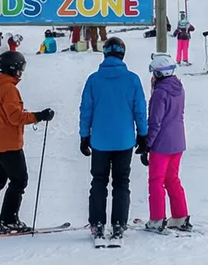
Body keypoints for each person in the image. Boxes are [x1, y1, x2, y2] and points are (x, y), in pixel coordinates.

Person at [0, 50, 53, 234]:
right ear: (12, 69)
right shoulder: (8, 88)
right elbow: (15, 117)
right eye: (20, 68)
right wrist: (39, 116)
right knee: (19, 180)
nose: (21, 72)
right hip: (8, 144)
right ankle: (9, 219)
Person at [79, 36, 149, 243]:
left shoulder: (93, 79)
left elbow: (86, 110)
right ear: (122, 54)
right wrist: (143, 135)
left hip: (99, 140)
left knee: (98, 181)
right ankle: (119, 223)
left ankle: (97, 222)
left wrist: (84, 136)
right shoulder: (132, 79)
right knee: (121, 182)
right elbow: (140, 110)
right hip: (124, 140)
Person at [144, 53, 188, 231]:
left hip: (162, 143)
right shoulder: (179, 88)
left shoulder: (160, 93)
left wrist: (147, 143)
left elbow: (155, 121)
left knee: (156, 180)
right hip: (178, 141)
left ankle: (157, 218)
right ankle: (180, 216)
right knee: (172, 179)